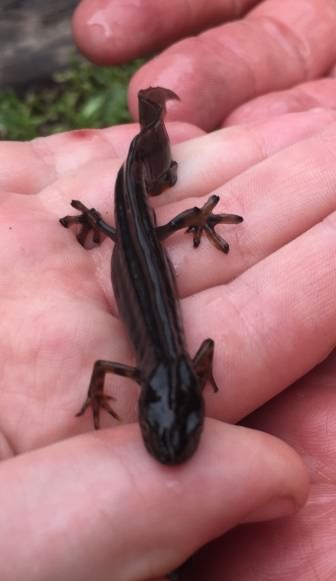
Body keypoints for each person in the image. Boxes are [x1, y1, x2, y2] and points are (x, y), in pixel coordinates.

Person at [0, 1, 336, 579]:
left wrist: (152, 382)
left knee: (143, 207)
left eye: (160, 427)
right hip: (136, 241)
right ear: (169, 391)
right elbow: (165, 358)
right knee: (142, 207)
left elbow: (117, 364)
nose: (168, 436)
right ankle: (149, 135)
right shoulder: (165, 368)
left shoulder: (145, 371)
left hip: (138, 244)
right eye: (168, 426)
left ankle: (150, 136)